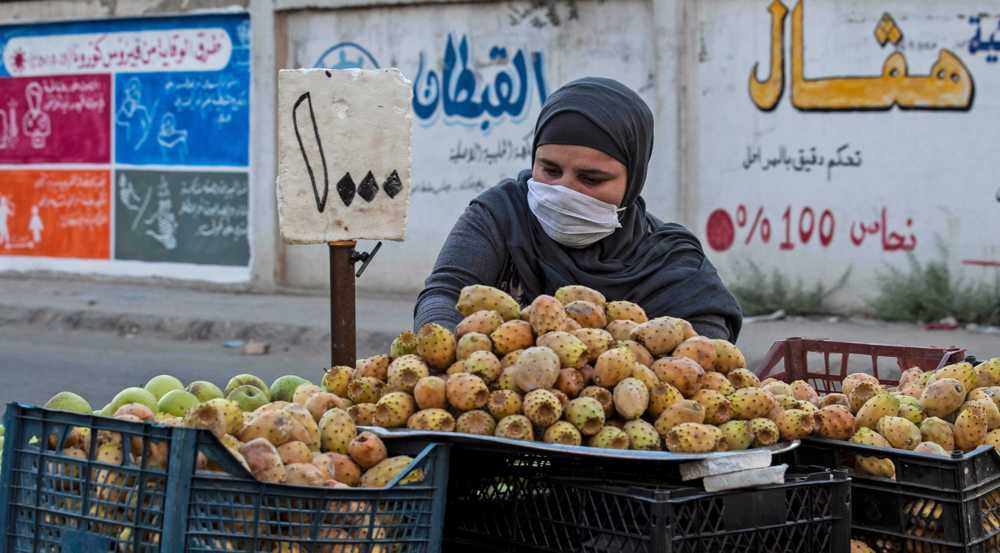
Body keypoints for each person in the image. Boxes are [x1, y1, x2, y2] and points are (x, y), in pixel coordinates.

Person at [414, 77, 743, 341]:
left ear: (633, 181)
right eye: (550, 170)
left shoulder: (671, 261)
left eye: (591, 178)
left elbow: (706, 345)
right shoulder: (501, 216)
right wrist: (451, 355)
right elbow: (444, 295)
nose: (564, 190)